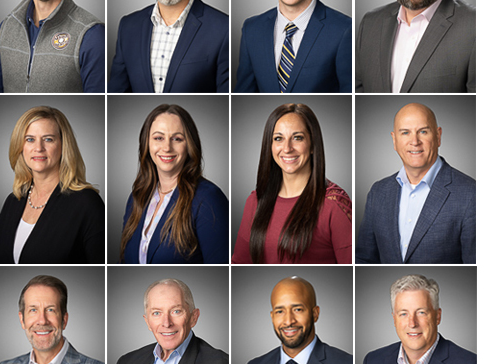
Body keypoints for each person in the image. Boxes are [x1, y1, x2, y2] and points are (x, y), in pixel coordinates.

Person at [232, 103, 351, 264]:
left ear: (312, 145)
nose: (287, 148)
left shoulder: (334, 205)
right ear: (270, 145)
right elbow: (240, 262)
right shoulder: (255, 201)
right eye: (278, 138)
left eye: (297, 138)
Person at [356, 103, 475, 264]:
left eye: (423, 132)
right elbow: (364, 258)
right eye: (405, 133)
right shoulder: (378, 191)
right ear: (394, 140)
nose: (415, 141)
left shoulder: (471, 194)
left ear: (438, 136)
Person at [0, 107, 104, 264]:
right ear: (20, 146)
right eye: (30, 139)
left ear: (64, 145)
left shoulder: (87, 203)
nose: (38, 148)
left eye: (48, 139)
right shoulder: (12, 201)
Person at [119, 105, 227, 264]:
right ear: (146, 143)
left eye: (177, 139)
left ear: (189, 144)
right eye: (158, 138)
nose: (167, 148)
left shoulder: (209, 199)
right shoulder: (138, 196)